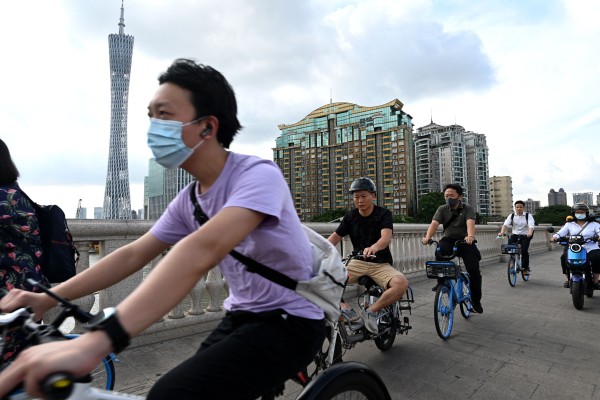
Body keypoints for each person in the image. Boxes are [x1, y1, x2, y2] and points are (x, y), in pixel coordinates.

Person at [0, 59, 324, 399]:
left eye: (165, 114)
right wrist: (49, 296)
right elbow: (132, 254)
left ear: (207, 127)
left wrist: (100, 340)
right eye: (151, 115)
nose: (154, 126)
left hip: (289, 321)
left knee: (170, 394)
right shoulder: (190, 200)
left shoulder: (257, 175)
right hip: (238, 315)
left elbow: (202, 248)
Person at [327, 177, 409, 334]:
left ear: (373, 195)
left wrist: (374, 248)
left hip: (380, 264)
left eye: (363, 196)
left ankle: (370, 311)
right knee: (327, 278)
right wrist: (314, 250)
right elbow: (334, 239)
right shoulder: (350, 216)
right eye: (356, 197)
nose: (359, 200)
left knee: (401, 284)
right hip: (357, 262)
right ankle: (345, 309)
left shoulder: (383, 214)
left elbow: (385, 238)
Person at [0, 139, 50, 363]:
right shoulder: (16, 193)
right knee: (21, 351)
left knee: (15, 356)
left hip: (13, 286)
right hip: (29, 281)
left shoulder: (4, 198)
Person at [422, 183, 483, 314]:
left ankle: (476, 300)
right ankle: (441, 281)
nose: (448, 198)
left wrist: (470, 236)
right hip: (449, 239)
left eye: (451, 195)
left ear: (459, 197)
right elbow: (434, 224)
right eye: (446, 195)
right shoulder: (442, 209)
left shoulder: (468, 209)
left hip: (465, 241)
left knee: (473, 270)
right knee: (439, 250)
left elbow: (470, 224)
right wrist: (427, 237)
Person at [551, 203, 600, 290]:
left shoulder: (594, 224)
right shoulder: (569, 224)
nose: (580, 214)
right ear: (574, 213)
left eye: (582, 212)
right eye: (577, 212)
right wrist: (555, 237)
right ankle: (568, 279)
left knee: (597, 258)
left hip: (590, 247)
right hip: (574, 248)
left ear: (586, 213)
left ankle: (595, 281)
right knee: (563, 258)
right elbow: (560, 233)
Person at [498, 200, 535, 275]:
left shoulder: (528, 215)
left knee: (524, 250)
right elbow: (505, 224)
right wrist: (502, 232)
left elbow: (531, 225)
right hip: (515, 235)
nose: (519, 208)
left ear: (523, 208)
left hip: (525, 235)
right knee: (510, 248)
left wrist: (530, 232)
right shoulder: (511, 216)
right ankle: (512, 261)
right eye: (517, 207)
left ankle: (525, 268)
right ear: (515, 208)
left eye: (520, 207)